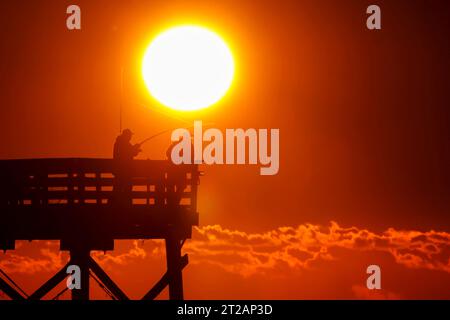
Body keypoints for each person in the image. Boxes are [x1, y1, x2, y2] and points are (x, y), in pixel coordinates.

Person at [112, 129, 141, 206]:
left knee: (117, 188)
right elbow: (129, 153)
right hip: (125, 171)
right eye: (130, 135)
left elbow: (130, 152)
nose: (130, 137)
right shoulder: (124, 144)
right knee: (126, 189)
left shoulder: (118, 143)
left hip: (119, 170)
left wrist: (135, 149)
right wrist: (136, 148)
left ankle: (114, 204)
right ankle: (126, 205)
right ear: (127, 135)